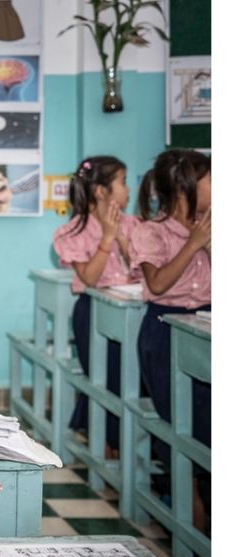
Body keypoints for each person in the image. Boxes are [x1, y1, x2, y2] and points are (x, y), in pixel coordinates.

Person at [129, 149, 211, 525]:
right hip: (164, 330)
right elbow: (158, 284)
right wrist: (194, 244)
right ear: (185, 188)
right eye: (210, 179)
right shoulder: (151, 231)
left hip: (206, 328)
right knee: (182, 425)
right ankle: (189, 514)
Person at [53, 156, 141, 451]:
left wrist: (123, 238)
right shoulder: (72, 231)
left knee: (137, 383)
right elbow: (89, 277)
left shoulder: (137, 225)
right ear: (101, 191)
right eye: (123, 182)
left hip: (135, 313)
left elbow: (145, 273)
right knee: (107, 382)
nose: (129, 189)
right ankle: (107, 451)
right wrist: (107, 237)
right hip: (94, 314)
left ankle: (129, 450)